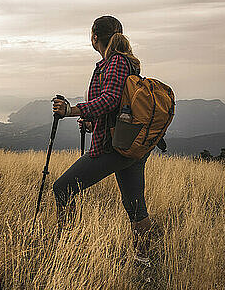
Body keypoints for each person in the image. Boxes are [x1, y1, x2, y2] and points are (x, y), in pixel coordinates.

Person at [51, 15, 153, 267]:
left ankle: (67, 247)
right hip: (130, 144)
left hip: (112, 147)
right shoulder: (125, 62)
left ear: (94, 37)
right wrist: (91, 123)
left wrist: (71, 110)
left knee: (62, 188)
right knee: (135, 205)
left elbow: (108, 100)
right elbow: (119, 107)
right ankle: (143, 259)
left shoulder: (115, 62)